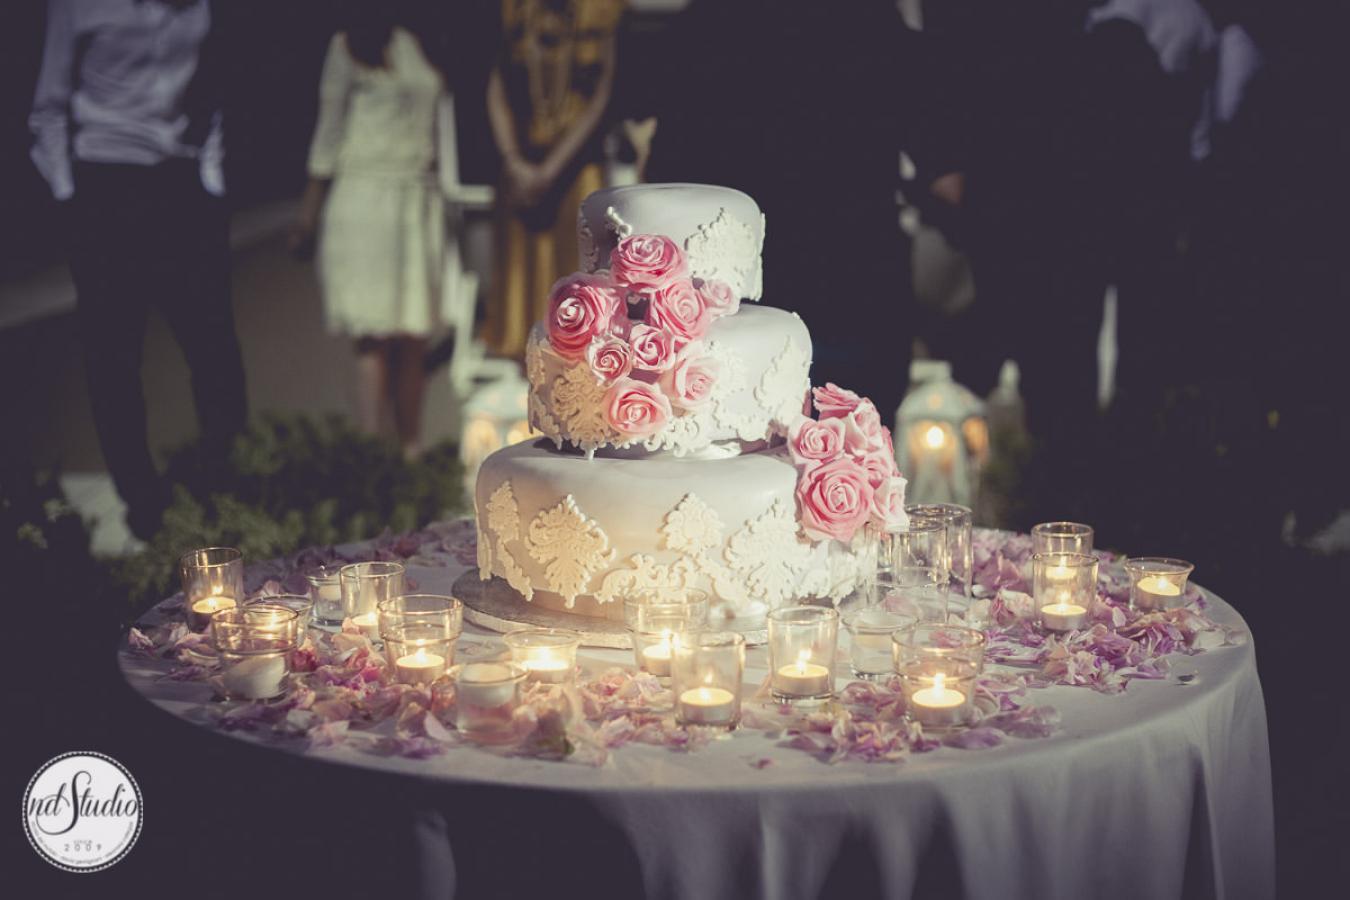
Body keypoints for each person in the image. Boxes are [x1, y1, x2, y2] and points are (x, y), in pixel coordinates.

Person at [29, 0, 247, 540]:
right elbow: (48, 107)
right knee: (113, 355)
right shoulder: (78, 7)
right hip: (104, 179)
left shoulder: (200, 9)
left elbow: (215, 93)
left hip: (177, 178)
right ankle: (142, 503)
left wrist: (211, 181)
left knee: (214, 344)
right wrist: (70, 197)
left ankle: (222, 489)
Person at [291, 3, 452, 459]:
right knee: (373, 337)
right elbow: (328, 134)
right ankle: (372, 456)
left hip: (416, 201)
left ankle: (410, 451)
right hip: (364, 201)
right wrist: (307, 215)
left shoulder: (423, 42)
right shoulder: (348, 45)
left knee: (414, 335)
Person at [482, 0, 624, 360]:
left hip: (578, 166)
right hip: (520, 159)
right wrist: (513, 159)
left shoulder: (602, 9)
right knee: (522, 292)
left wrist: (551, 168)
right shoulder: (514, 8)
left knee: (581, 288)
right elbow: (496, 81)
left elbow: (603, 92)